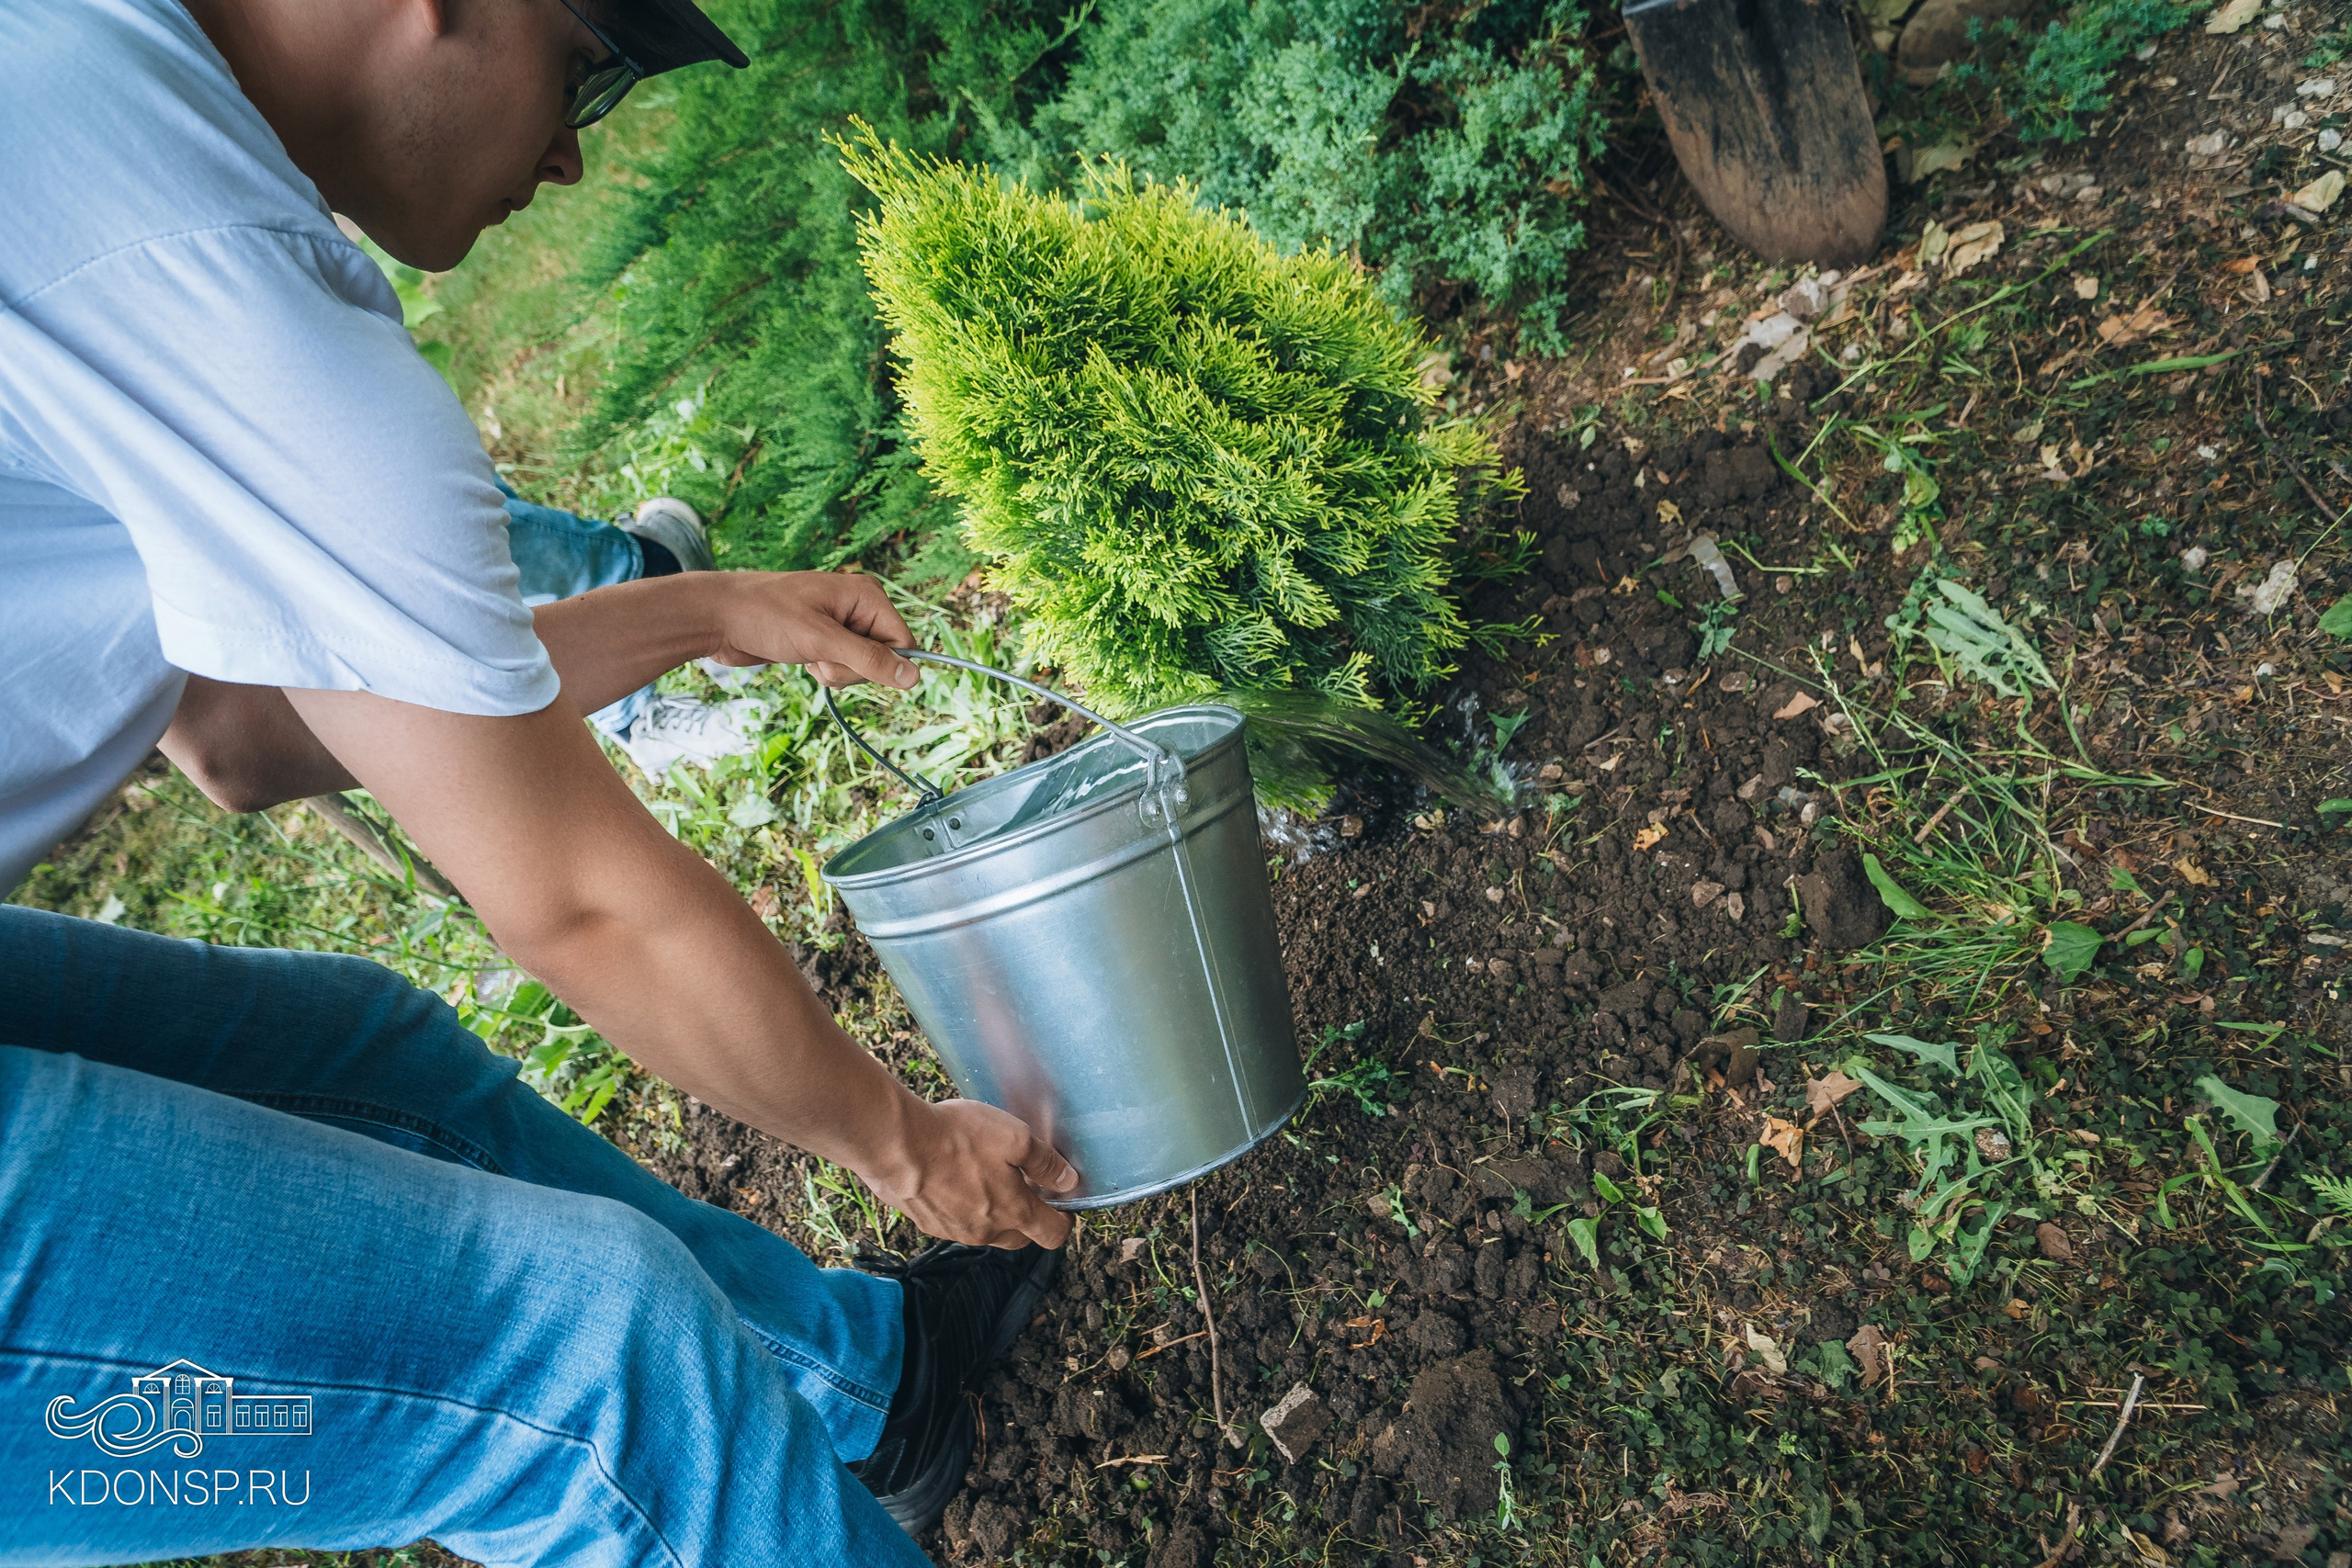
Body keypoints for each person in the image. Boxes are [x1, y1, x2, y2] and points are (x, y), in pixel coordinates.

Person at [0, 0, 1079, 1562]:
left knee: (359, 1061)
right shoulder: (205, 259)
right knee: (589, 1374)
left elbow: (245, 729)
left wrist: (707, 610)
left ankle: (872, 1392)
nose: (575, 157)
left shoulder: (81, 88)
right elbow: (582, 906)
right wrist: (907, 1147)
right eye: (590, 66)